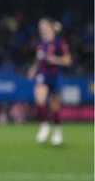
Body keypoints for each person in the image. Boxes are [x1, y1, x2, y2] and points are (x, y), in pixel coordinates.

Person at [27, 18, 71, 146]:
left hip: (55, 76)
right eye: (40, 26)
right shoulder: (41, 44)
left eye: (44, 25)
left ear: (50, 27)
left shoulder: (59, 43)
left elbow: (68, 60)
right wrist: (33, 69)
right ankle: (44, 125)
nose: (41, 28)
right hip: (42, 74)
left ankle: (57, 132)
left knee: (54, 106)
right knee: (39, 98)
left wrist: (54, 59)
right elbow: (38, 60)